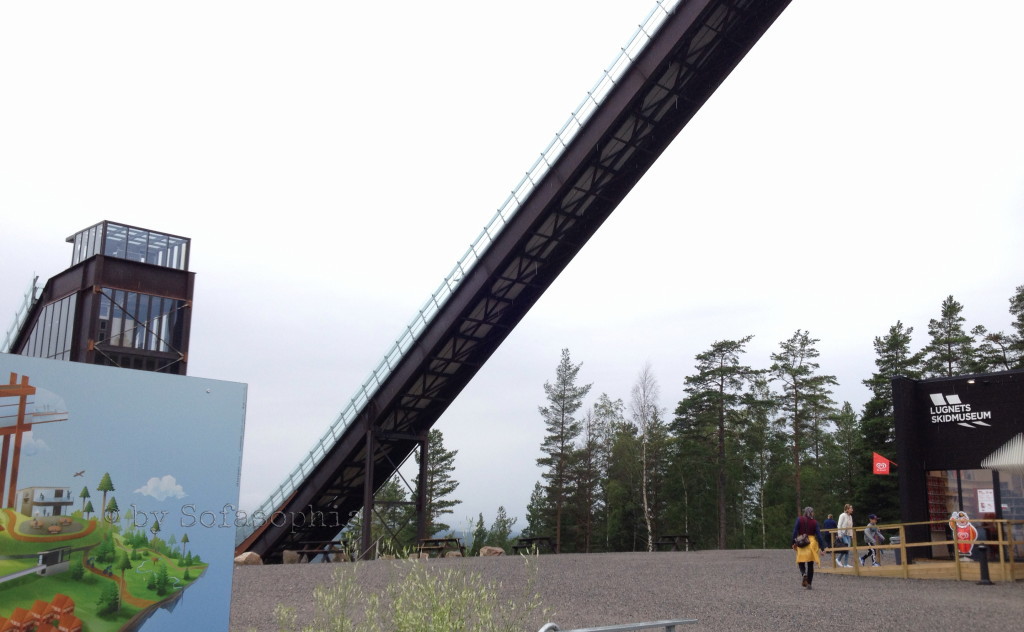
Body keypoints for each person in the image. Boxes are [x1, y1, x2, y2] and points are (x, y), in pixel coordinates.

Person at [792, 506, 827, 589]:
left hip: (801, 541)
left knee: (800, 560)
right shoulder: (814, 522)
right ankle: (809, 583)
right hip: (811, 543)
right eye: (813, 512)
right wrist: (822, 548)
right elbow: (819, 535)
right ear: (811, 513)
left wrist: (793, 542)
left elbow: (795, 531)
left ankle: (804, 573)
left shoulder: (799, 519)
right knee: (810, 564)